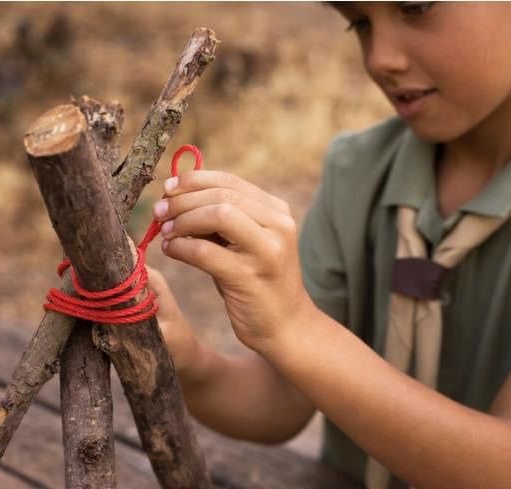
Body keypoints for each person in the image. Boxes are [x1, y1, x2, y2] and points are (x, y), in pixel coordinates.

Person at [148, 3, 511, 488]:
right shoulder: (357, 173)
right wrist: (185, 359)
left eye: (416, 7)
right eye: (359, 23)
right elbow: (282, 400)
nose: (380, 58)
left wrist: (295, 324)